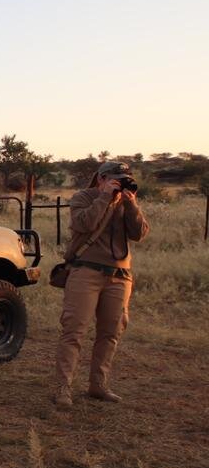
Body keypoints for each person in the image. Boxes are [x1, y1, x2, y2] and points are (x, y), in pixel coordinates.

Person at [54, 161, 150, 407]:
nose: (120, 183)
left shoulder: (125, 201)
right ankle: (64, 388)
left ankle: (98, 385)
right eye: (115, 179)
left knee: (111, 332)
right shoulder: (83, 197)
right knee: (74, 330)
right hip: (86, 271)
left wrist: (132, 204)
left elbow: (139, 233)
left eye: (124, 178)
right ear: (101, 178)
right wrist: (105, 197)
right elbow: (83, 224)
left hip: (119, 275)